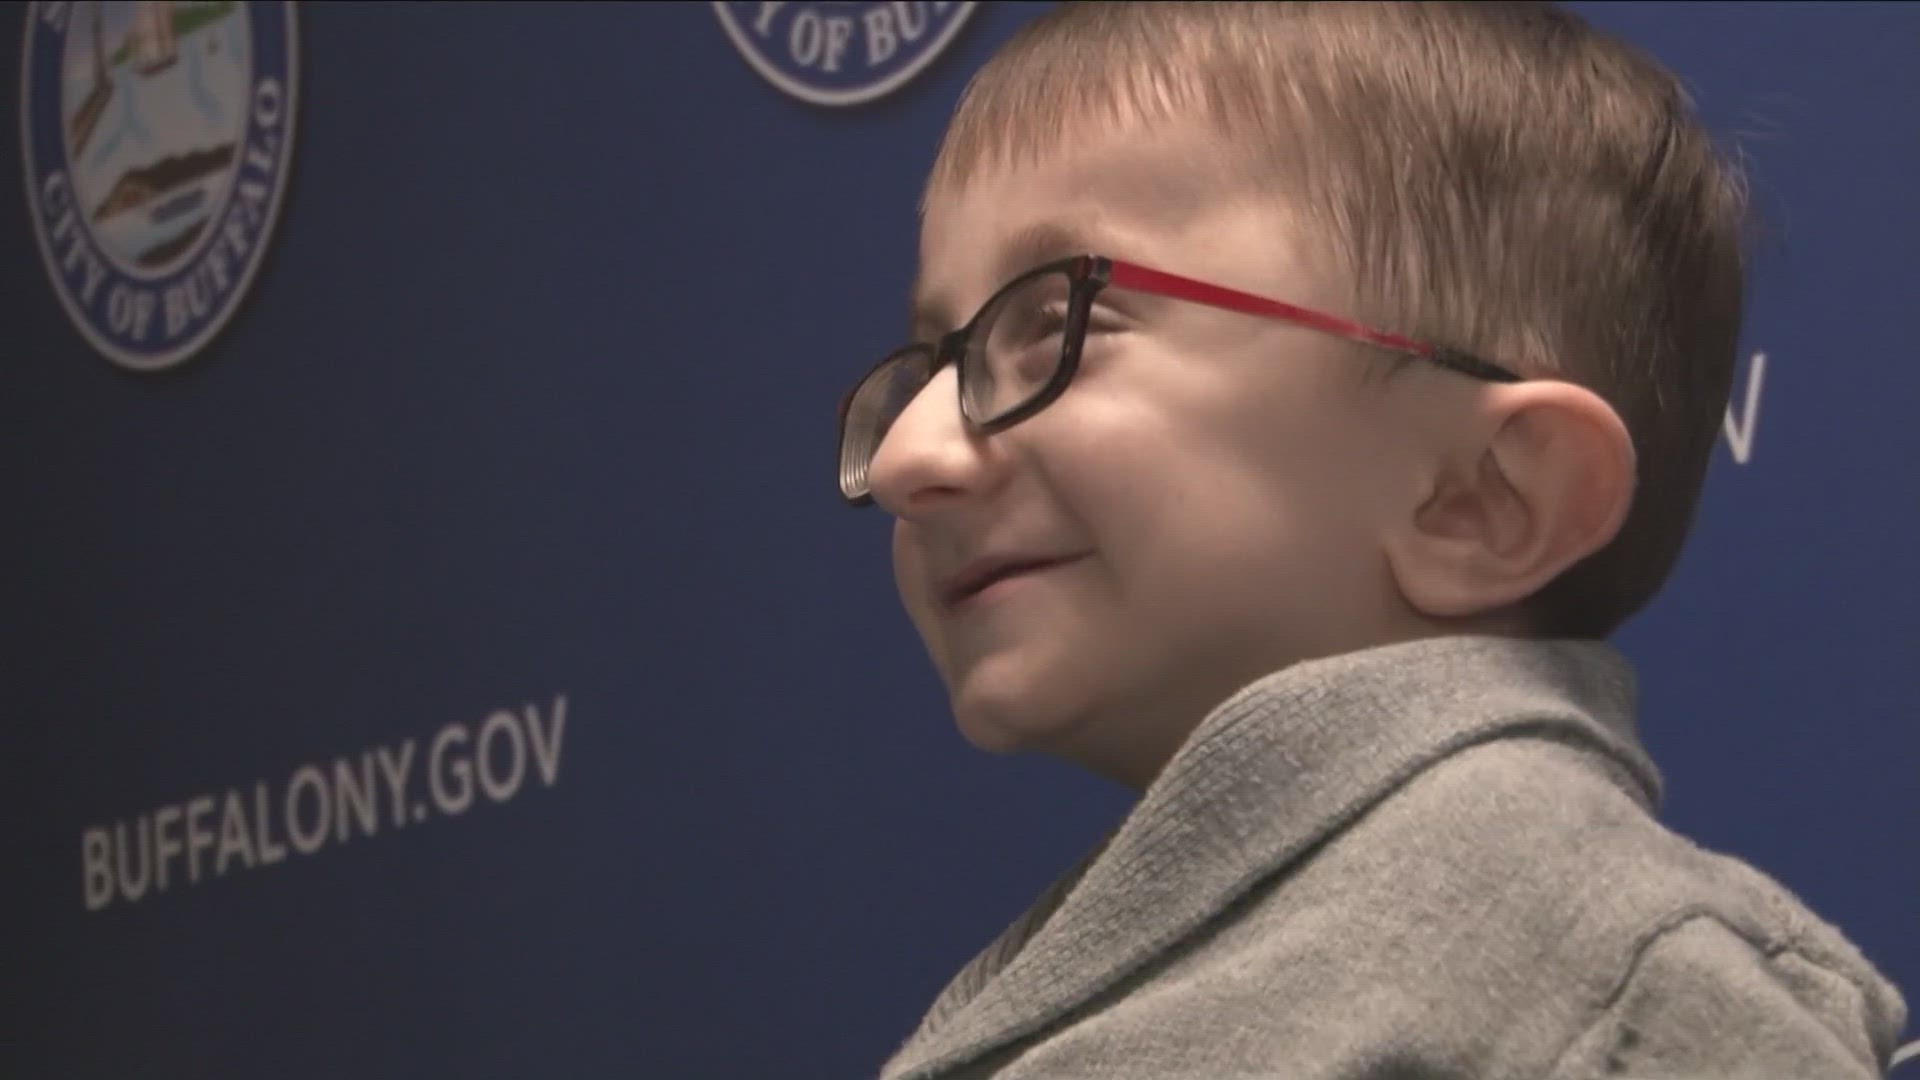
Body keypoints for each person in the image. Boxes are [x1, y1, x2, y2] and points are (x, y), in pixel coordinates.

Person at [834, 3, 1909, 1077]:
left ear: (1479, 498)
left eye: (1060, 324)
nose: (905, 457)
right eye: (937, 358)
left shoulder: (1612, 997)